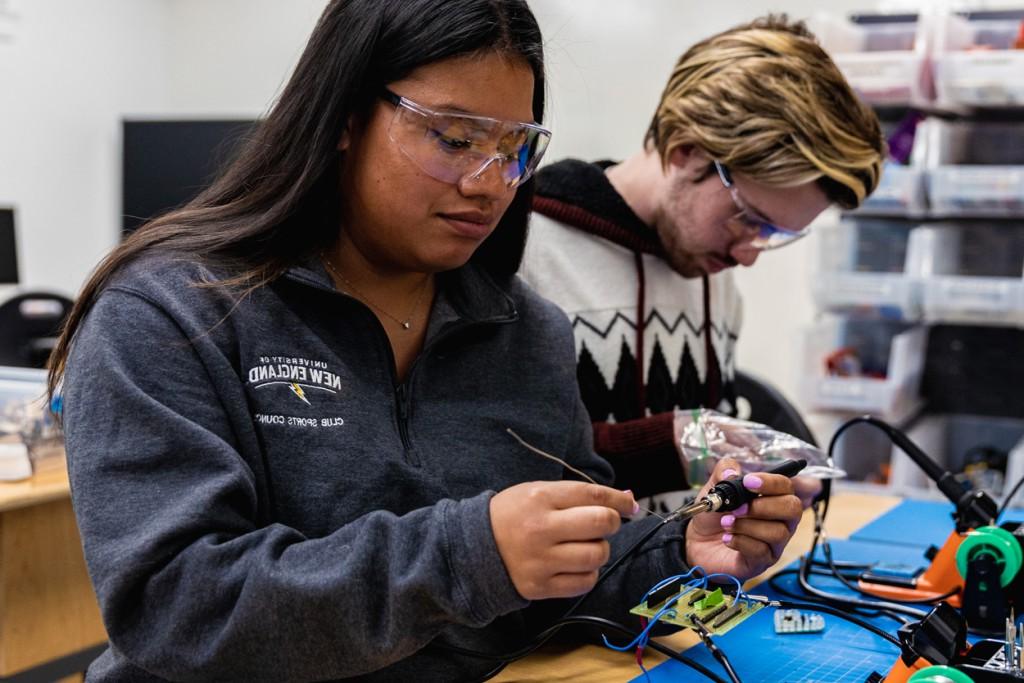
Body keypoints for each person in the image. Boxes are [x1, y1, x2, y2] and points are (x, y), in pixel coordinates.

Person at [48, 2, 803, 681]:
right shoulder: (172, 313)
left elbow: (568, 575)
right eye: (453, 138)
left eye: (515, 148)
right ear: (344, 116)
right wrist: (468, 554)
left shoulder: (528, 333)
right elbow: (174, 609)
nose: (488, 182)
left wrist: (681, 553)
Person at [521, 15, 886, 509]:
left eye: (777, 234)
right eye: (748, 218)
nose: (749, 254)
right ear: (684, 150)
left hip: (691, 584)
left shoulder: (714, 278)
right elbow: (505, 466)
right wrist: (676, 445)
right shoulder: (525, 250)